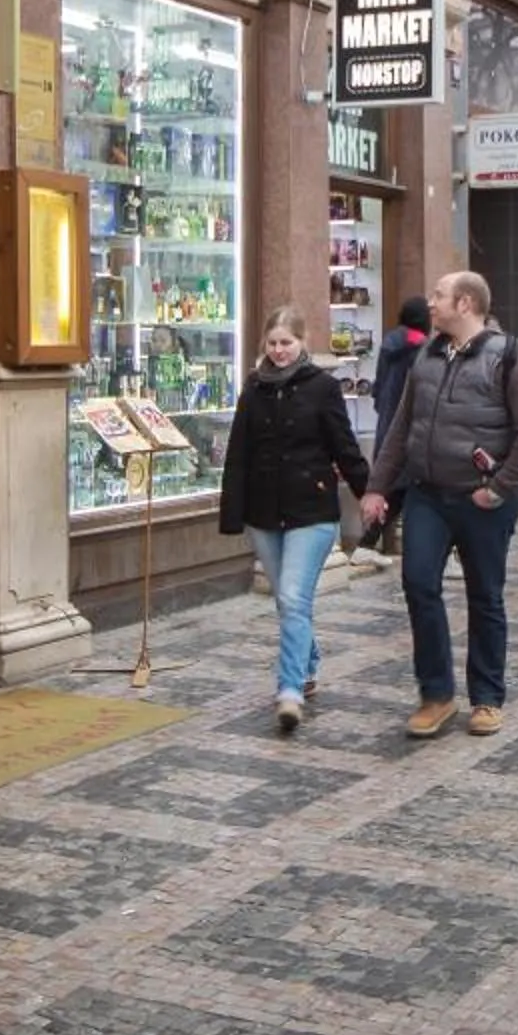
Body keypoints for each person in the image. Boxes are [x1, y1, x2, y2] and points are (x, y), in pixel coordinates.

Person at [361, 271, 518, 739]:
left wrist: (500, 488)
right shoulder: (426, 355)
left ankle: (487, 698)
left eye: (439, 296)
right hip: (428, 494)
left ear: (465, 304)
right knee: (418, 582)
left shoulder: (508, 357)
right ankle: (436, 694)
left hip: (483, 501)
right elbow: (401, 429)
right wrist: (376, 488)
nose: (431, 303)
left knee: (485, 596)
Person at [218, 308, 370, 733]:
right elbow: (238, 453)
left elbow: (345, 446)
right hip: (263, 512)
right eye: (273, 343)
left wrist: (371, 495)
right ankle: (309, 661)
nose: (280, 351)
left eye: (287, 342)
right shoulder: (254, 388)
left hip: (313, 510)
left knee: (292, 597)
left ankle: (289, 691)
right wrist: (233, 512)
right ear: (263, 346)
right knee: (289, 602)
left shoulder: (322, 388)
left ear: (302, 343)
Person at [366, 299, 430, 555]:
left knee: (396, 489)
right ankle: (368, 543)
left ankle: (368, 543)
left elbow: (378, 387)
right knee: (406, 490)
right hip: (410, 425)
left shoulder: (389, 343)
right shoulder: (423, 348)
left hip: (387, 423)